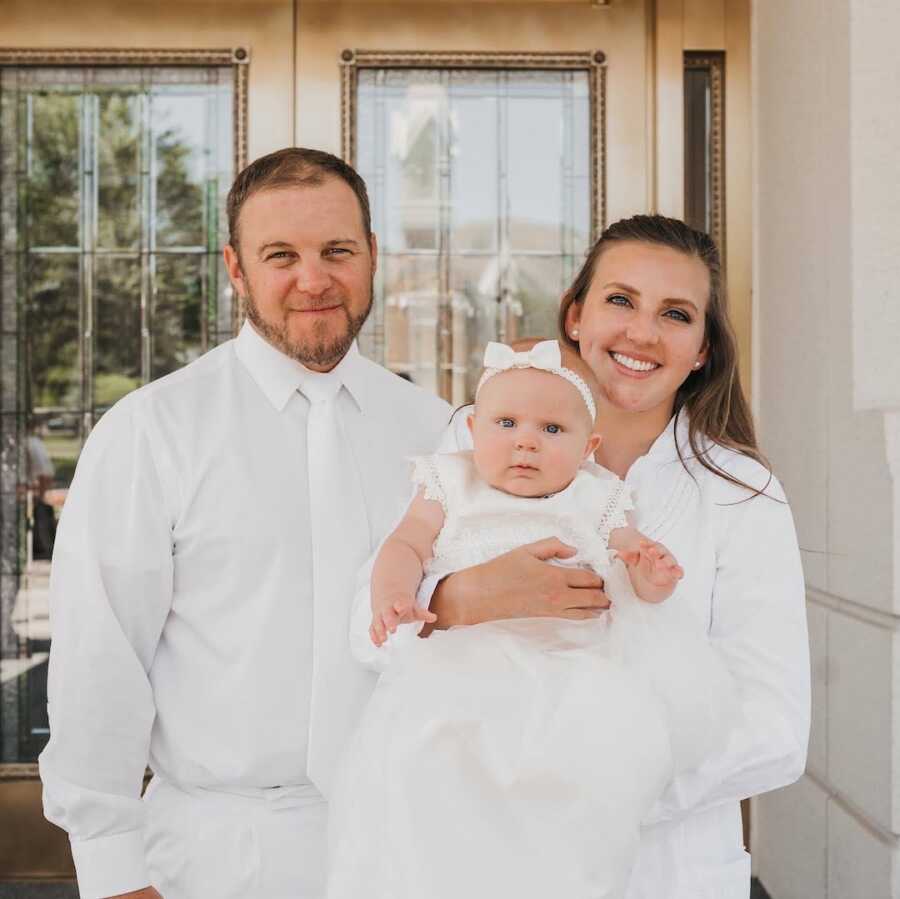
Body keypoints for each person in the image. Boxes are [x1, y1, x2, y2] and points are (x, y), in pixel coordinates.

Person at [348, 215, 810, 899]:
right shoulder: (476, 446)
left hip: (663, 870)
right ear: (576, 316)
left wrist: (577, 790)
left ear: (703, 348)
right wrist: (463, 598)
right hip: (478, 860)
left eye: (675, 314)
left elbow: (774, 727)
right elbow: (366, 630)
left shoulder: (741, 490)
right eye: (620, 300)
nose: (642, 332)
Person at [38, 148, 449, 899]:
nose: (314, 279)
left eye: (337, 251)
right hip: (212, 856)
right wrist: (113, 872)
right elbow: (100, 660)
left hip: (409, 845)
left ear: (373, 257)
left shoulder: (440, 432)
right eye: (280, 255)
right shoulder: (152, 431)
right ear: (235, 269)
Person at [328, 339, 738, 899]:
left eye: (551, 430)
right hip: (462, 668)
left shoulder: (595, 497)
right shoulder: (451, 483)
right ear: (473, 432)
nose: (525, 440)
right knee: (428, 771)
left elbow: (634, 565)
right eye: (506, 423)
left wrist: (653, 573)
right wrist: (395, 595)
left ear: (587, 447)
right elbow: (404, 546)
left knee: (569, 791)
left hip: (568, 667)